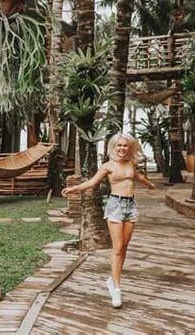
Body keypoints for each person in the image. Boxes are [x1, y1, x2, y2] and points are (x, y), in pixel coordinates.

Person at [62, 132, 155, 308]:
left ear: (129, 148)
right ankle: (116, 288)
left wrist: (149, 184)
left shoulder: (131, 163)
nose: (122, 148)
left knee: (124, 247)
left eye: (125, 145)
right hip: (115, 206)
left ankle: (113, 280)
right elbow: (92, 182)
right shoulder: (108, 166)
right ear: (114, 148)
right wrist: (74, 188)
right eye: (119, 145)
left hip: (131, 206)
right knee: (117, 248)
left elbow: (136, 177)